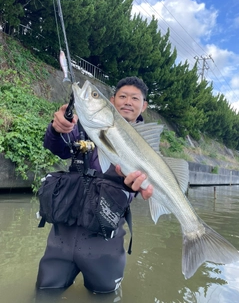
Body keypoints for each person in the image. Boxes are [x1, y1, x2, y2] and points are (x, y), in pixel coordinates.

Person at [36, 76, 153, 294]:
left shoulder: (148, 149)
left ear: (143, 106)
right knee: (44, 293)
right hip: (62, 234)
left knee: (104, 297)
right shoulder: (83, 125)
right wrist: (57, 128)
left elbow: (143, 187)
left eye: (135, 98)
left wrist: (134, 187)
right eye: (123, 96)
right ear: (112, 101)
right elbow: (57, 145)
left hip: (104, 242)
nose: (128, 101)